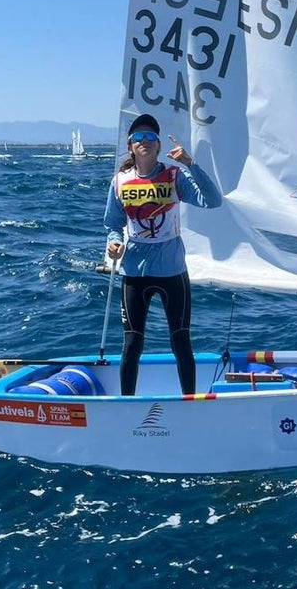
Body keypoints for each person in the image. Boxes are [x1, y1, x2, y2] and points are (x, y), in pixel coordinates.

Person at [104, 114, 223, 396]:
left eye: (150, 138)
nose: (144, 142)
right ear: (130, 146)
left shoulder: (173, 176)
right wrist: (114, 242)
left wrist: (190, 164)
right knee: (132, 343)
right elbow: (113, 223)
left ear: (158, 146)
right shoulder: (120, 181)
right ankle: (126, 404)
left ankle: (189, 401)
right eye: (138, 138)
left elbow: (213, 200)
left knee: (180, 340)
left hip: (172, 272)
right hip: (135, 273)